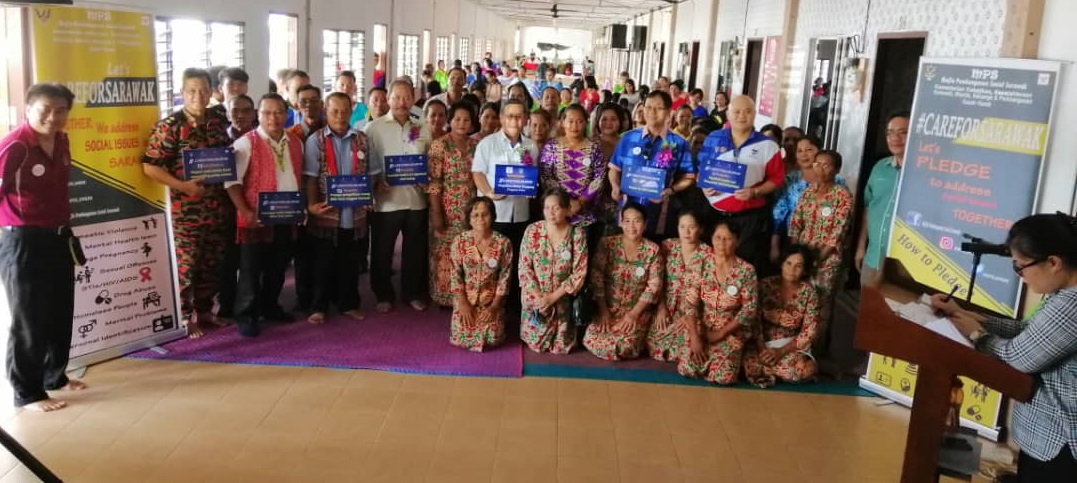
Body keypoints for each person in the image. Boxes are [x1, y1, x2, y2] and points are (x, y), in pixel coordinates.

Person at [930, 213, 1077, 482]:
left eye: (1021, 267)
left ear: (1053, 263)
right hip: (1049, 439)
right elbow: (1027, 331)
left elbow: (1019, 357)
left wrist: (977, 335)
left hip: (1059, 440)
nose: (1021, 277)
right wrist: (969, 315)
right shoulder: (1063, 293)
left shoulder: (1071, 304)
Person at [0, 83, 87, 411]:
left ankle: (54, 377)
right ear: (29, 109)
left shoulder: (62, 140)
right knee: (29, 318)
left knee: (59, 312)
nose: (53, 117)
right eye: (45, 109)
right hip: (23, 242)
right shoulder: (15, 146)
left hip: (59, 238)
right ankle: (27, 393)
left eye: (61, 110)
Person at [142, 68, 232, 338]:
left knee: (211, 264)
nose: (198, 95)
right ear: (182, 93)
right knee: (187, 268)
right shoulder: (171, 126)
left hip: (216, 208)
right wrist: (183, 186)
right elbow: (150, 166)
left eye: (203, 90)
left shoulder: (217, 121)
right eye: (192, 90)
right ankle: (183, 318)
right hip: (186, 213)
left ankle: (204, 311)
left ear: (211, 91)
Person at [225, 93, 304, 337]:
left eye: (278, 112)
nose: (273, 117)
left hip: (286, 216)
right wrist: (245, 211)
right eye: (267, 112)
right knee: (251, 269)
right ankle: (246, 315)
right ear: (258, 115)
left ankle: (270, 307)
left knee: (277, 266)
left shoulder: (295, 142)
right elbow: (231, 182)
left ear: (286, 114)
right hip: (255, 218)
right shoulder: (245, 143)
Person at [302, 92, 374, 325]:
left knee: (350, 262)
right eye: (334, 111)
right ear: (326, 111)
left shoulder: (363, 139)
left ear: (352, 112)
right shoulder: (316, 140)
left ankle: (348, 304)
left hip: (355, 214)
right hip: (326, 212)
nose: (340, 116)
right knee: (322, 263)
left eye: (345, 111)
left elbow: (371, 174)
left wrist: (370, 195)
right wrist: (311, 205)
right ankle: (319, 306)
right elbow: (310, 177)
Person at [367, 80, 433, 313]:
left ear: (413, 99)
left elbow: (430, 160)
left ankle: (412, 293)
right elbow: (366, 162)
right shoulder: (373, 128)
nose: (402, 102)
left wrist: (426, 178)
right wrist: (376, 181)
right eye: (397, 97)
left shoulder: (423, 127)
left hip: (416, 200)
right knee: (382, 251)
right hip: (386, 202)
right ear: (388, 99)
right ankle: (383, 295)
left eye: (407, 97)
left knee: (414, 250)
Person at [699, 95, 785, 270]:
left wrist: (756, 192)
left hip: (749, 218)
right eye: (736, 112)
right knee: (713, 265)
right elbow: (702, 169)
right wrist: (704, 187)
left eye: (747, 111)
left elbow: (777, 178)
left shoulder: (768, 145)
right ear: (728, 114)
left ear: (754, 114)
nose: (741, 116)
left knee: (745, 265)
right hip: (715, 215)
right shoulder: (713, 138)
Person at [472, 99, 539, 308]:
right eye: (510, 116)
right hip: (495, 213)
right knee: (493, 261)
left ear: (525, 119)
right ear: (501, 118)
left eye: (519, 116)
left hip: (520, 213)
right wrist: (489, 193)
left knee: (518, 260)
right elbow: (478, 173)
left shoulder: (531, 146)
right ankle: (489, 305)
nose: (514, 121)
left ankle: (513, 307)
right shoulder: (487, 143)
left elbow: (532, 175)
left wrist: (532, 189)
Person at [609, 90, 696, 241]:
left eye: (658, 108)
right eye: (648, 107)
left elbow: (689, 177)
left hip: (659, 212)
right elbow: (614, 169)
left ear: (669, 112)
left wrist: (671, 190)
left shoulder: (678, 142)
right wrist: (615, 186)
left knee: (654, 249)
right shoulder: (629, 138)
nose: (652, 112)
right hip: (627, 211)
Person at [678, 221, 758, 384]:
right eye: (718, 237)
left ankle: (734, 359)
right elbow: (689, 303)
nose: (721, 243)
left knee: (723, 377)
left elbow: (749, 309)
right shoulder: (700, 263)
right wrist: (694, 336)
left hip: (731, 330)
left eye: (727, 238)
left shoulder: (746, 270)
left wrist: (721, 333)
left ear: (737, 241)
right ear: (711, 239)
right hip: (702, 327)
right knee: (687, 368)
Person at [584, 202, 664, 361]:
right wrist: (603, 310)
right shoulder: (607, 244)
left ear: (645, 224)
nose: (631, 226)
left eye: (637, 221)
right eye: (627, 221)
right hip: (608, 307)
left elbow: (654, 286)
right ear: (620, 222)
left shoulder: (652, 250)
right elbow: (597, 277)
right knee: (591, 339)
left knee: (624, 345)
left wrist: (633, 315)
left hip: (636, 310)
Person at [519, 188, 589, 353]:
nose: (551, 212)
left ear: (567, 210)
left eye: (556, 208)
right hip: (536, 296)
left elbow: (579, 272)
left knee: (561, 347)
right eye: (547, 208)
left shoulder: (577, 235)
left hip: (561, 297)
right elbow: (524, 267)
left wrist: (552, 297)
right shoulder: (533, 231)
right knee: (537, 343)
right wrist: (539, 297)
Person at [742, 244, 820, 387]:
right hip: (761, 344)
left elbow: (809, 332)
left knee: (803, 370)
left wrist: (780, 351)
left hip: (790, 346)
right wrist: (762, 348)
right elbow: (754, 320)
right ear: (782, 264)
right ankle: (766, 369)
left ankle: (767, 371)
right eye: (788, 263)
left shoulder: (809, 293)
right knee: (751, 363)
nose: (792, 269)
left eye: (798, 266)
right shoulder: (764, 285)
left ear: (804, 270)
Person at [428, 102, 479, 308]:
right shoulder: (440, 145)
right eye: (457, 119)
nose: (461, 123)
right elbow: (434, 183)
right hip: (446, 208)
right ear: (450, 121)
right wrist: (436, 213)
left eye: (466, 120)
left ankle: (465, 298)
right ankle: (444, 298)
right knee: (444, 253)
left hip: (471, 210)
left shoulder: (476, 145)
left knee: (467, 252)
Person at [770, 136, 848, 263]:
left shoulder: (838, 182)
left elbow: (841, 224)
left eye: (809, 150)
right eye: (799, 151)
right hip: (794, 243)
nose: (803, 155)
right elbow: (780, 214)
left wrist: (821, 256)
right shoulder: (791, 180)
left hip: (828, 250)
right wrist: (777, 246)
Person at [450, 197, 513, 352]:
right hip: (466, 300)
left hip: (490, 302)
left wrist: (494, 307)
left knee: (493, 339)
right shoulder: (460, 241)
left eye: (485, 214)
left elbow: (505, 278)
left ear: (492, 216)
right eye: (475, 215)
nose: (480, 219)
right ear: (469, 218)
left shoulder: (503, 243)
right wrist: (463, 304)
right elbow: (455, 275)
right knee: (461, 338)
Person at [648, 210, 711, 362]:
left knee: (691, 347)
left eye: (691, 227)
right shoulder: (667, 246)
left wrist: (689, 317)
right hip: (667, 306)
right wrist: (661, 308)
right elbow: (657, 279)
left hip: (694, 311)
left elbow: (710, 291)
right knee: (655, 344)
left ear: (700, 229)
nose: (686, 232)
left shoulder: (708, 254)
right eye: (682, 227)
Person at [539, 104, 606, 244]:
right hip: (557, 213)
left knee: (583, 253)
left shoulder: (594, 148)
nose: (575, 126)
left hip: (585, 214)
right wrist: (566, 202)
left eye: (580, 121)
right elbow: (546, 175)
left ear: (586, 123)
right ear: (562, 122)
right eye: (570, 121)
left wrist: (581, 202)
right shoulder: (552, 147)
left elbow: (599, 177)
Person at [856, 111, 909, 287]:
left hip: (906, 265)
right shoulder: (879, 167)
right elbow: (869, 207)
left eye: (903, 132)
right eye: (890, 133)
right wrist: (861, 247)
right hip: (874, 256)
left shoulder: (925, 173)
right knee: (868, 303)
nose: (895, 138)